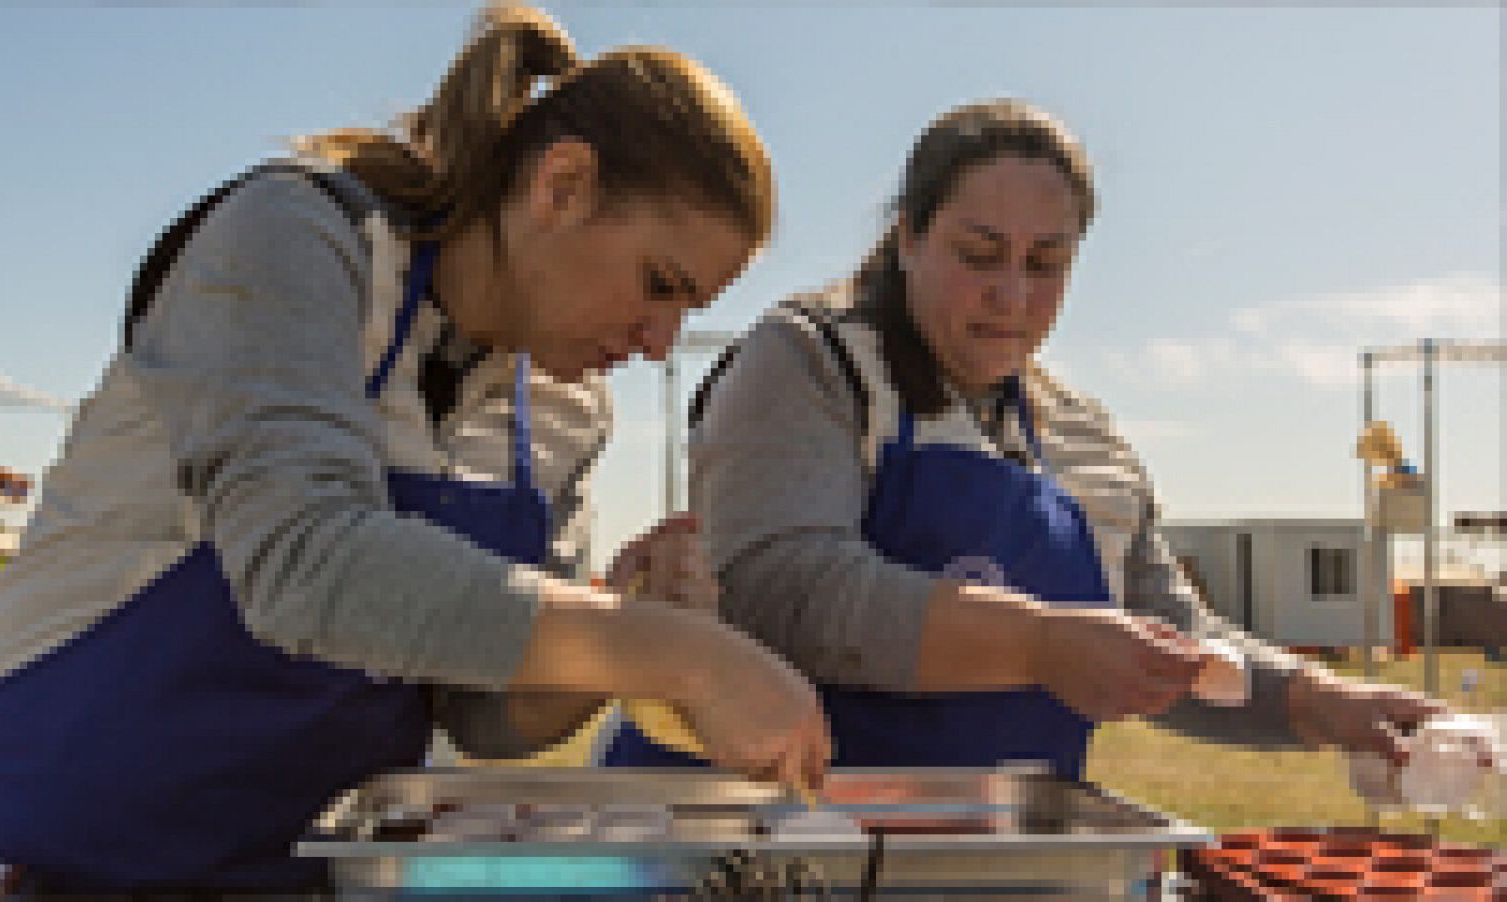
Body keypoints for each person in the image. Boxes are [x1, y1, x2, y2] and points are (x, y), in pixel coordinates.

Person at [0, 5, 828, 893]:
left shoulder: (564, 413)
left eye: (688, 310)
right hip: (51, 849)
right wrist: (667, 652)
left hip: (300, 869)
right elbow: (303, 562)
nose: (662, 341)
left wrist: (613, 629)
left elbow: (480, 713)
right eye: (658, 284)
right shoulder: (301, 241)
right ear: (562, 185)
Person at [602, 99, 1450, 782]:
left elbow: (1168, 633)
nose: (1011, 295)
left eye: (1046, 264)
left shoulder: (1084, 437)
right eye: (979, 254)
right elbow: (785, 590)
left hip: (982, 852)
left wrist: (1319, 699)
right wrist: (1042, 645)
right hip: (779, 849)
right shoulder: (811, 362)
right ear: (907, 238)